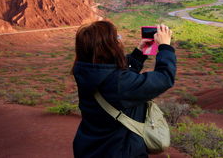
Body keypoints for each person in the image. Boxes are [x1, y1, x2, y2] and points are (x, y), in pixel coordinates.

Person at [72, 20, 176, 158]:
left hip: (91, 148)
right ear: (107, 47)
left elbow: (114, 75)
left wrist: (139, 53)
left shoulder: (85, 72)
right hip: (120, 151)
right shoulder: (118, 83)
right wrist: (165, 47)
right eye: (116, 37)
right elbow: (164, 78)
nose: (119, 40)